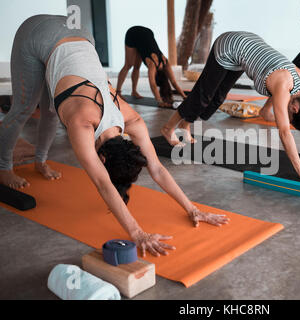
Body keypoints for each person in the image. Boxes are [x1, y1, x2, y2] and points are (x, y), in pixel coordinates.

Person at [0, 15, 228, 257]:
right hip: (38, 32)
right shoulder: (82, 123)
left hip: (79, 32)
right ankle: (3, 166)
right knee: (25, 107)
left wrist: (193, 209)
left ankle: (40, 162)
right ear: (104, 160)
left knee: (52, 112)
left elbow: (158, 169)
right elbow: (102, 183)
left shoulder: (132, 120)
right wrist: (138, 233)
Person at [161, 31, 300, 185]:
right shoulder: (283, 86)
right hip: (230, 45)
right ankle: (169, 128)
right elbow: (285, 133)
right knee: (203, 96)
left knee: (217, 99)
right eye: (290, 117)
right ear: (294, 109)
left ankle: (186, 125)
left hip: (245, 50)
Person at [116, 26, 187, 107]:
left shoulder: (165, 62)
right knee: (128, 65)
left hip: (148, 34)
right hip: (133, 33)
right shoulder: (152, 65)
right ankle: (118, 92)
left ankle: (134, 91)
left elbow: (174, 82)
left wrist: (184, 96)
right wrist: (160, 101)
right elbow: (153, 85)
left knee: (137, 67)